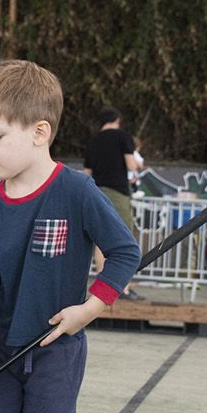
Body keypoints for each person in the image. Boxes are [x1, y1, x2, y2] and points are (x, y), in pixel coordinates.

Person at [0, 60, 140, 413]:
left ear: (39, 132)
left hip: (56, 348)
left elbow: (124, 251)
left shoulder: (76, 191)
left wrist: (88, 310)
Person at [82, 106, 144, 300]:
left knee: (100, 241)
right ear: (117, 120)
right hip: (117, 192)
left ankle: (103, 285)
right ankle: (122, 287)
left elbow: (87, 174)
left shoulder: (92, 142)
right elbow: (132, 165)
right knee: (124, 239)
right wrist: (139, 164)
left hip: (95, 191)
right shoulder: (122, 136)